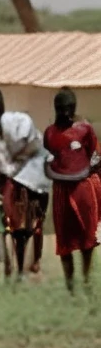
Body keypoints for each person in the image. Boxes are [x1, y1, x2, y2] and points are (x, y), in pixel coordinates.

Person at [0, 86, 49, 279]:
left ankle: (35, 262)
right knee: (14, 225)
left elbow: (35, 145)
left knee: (36, 222)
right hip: (10, 178)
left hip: (34, 173)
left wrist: (16, 160)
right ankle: (16, 267)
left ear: (2, 106)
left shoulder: (21, 120)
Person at [43, 87, 101, 294]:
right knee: (64, 239)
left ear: (73, 108)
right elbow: (49, 157)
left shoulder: (84, 129)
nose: (64, 112)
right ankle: (70, 286)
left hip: (82, 188)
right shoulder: (50, 132)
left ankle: (85, 280)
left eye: (67, 108)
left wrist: (89, 172)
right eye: (60, 108)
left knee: (87, 236)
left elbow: (95, 155)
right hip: (61, 190)